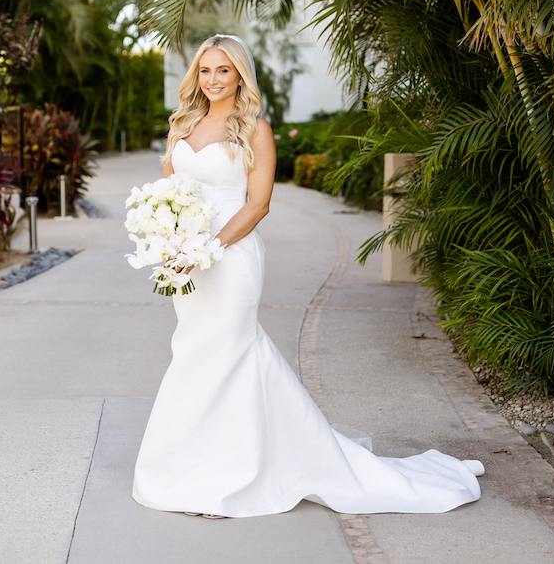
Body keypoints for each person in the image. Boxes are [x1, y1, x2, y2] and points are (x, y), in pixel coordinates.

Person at [132, 34, 483, 518]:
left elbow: (258, 205)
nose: (213, 80)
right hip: (186, 263)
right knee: (193, 354)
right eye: (206, 71)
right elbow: (168, 192)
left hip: (229, 261)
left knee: (228, 357)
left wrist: (206, 249)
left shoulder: (255, 129)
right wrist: (168, 242)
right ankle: (191, 468)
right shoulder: (183, 125)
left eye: (224, 71)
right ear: (197, 76)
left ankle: (232, 479)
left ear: (240, 76)